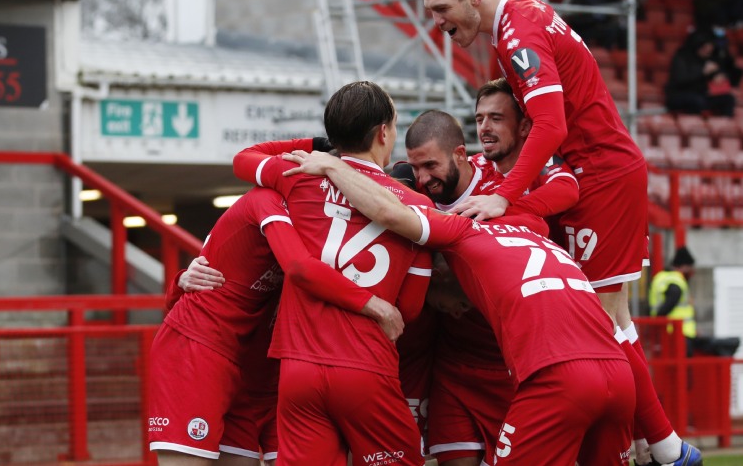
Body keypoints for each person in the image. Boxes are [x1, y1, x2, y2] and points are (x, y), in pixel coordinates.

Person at [415, 0, 702, 464]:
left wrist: (505, 197)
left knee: (598, 322)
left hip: (600, 176)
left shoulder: (518, 34)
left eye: (441, 9)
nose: (436, 23)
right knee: (614, 320)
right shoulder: (524, 17)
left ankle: (666, 447)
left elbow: (550, 126)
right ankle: (654, 443)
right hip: (601, 171)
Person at [282, 149, 636, 466]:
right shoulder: (536, 228)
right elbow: (562, 192)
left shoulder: (460, 230)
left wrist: (332, 165)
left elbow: (388, 211)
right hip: (620, 374)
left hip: (557, 376)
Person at [232, 81, 434, 466]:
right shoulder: (417, 208)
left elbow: (244, 157)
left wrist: (316, 147)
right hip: (366, 366)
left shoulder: (298, 175)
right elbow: (409, 308)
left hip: (299, 367)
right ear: (383, 132)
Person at [148, 186, 403, 466]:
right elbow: (297, 267)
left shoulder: (335, 223)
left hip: (269, 368)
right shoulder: (270, 203)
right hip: (206, 351)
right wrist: (374, 305)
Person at [399, 85, 578, 465]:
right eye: (479, 118)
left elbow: (568, 188)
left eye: (430, 166)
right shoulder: (416, 196)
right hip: (454, 361)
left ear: (459, 156)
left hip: (510, 364)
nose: (422, 178)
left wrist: (502, 213)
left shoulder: (501, 182)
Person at [665, 27, 741, 118]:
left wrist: (719, 78)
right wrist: (702, 72)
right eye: (705, 47)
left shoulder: (709, 59)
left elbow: (726, 78)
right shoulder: (681, 57)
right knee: (696, 101)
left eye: (710, 47)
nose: (708, 50)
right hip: (681, 94)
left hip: (702, 94)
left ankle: (723, 125)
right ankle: (692, 124)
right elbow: (681, 80)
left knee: (728, 99)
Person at [649, 246, 698, 356]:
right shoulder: (676, 281)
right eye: (689, 268)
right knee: (682, 368)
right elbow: (668, 304)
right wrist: (659, 317)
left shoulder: (662, 277)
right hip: (677, 333)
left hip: (669, 332)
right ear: (684, 266)